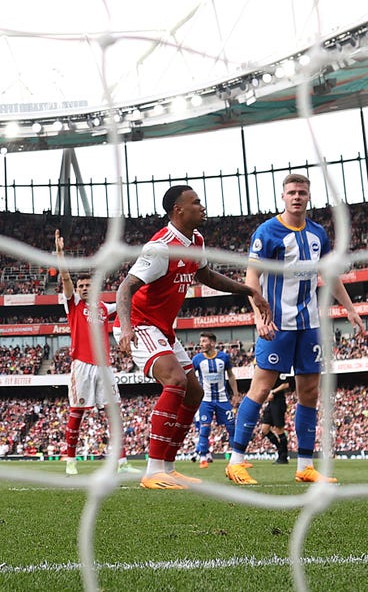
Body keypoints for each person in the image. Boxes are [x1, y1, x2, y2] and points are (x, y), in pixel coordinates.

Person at [114, 185, 273, 490]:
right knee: (175, 380)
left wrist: (249, 290)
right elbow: (125, 288)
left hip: (162, 328)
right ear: (179, 210)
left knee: (193, 392)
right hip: (140, 324)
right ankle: (152, 470)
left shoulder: (196, 241)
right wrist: (125, 327)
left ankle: (168, 468)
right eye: (196, 202)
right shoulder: (161, 247)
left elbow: (207, 277)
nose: (202, 206)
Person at [225, 173, 366, 485]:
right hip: (278, 324)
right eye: (292, 192)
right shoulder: (268, 231)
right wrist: (260, 318)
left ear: (309, 196)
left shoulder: (318, 234)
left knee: (310, 393)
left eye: (302, 192)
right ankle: (235, 461)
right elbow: (252, 279)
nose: (297, 197)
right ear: (283, 197)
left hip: (310, 324)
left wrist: (350, 309)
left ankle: (305, 466)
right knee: (260, 389)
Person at [54, 230, 139, 476]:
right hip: (81, 365)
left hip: (105, 367)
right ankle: (71, 459)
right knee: (77, 412)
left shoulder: (104, 307)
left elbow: (126, 303)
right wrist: (60, 254)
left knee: (114, 413)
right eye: (80, 286)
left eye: (87, 285)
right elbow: (66, 278)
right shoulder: (74, 304)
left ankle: (122, 463)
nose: (82, 288)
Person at [191, 331, 240, 468]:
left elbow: (230, 376)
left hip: (223, 399)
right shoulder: (197, 359)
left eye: (204, 341)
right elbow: (190, 376)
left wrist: (235, 394)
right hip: (206, 400)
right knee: (204, 428)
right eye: (201, 341)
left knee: (231, 427)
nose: (201, 344)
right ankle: (203, 458)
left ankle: (237, 458)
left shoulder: (223, 357)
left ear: (212, 343)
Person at [259, 373, 293, 464]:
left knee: (279, 429)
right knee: (264, 429)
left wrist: (273, 392)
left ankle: (283, 457)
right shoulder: (269, 372)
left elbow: (286, 384)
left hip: (278, 402)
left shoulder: (280, 371)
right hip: (271, 403)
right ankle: (280, 448)